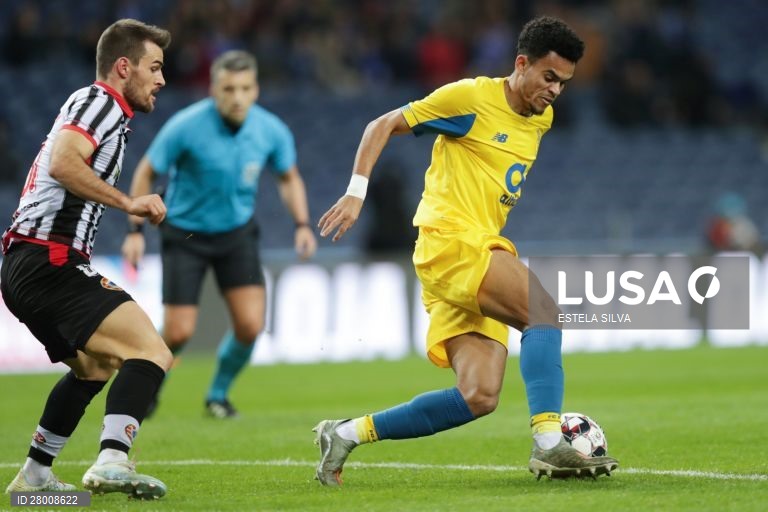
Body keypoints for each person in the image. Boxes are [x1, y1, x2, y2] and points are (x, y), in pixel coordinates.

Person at [314, 16, 619, 485]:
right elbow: (382, 124)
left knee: (478, 396)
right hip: (451, 241)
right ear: (522, 64)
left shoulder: (542, 118)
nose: (555, 90)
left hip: (466, 254)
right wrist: (356, 192)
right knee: (544, 314)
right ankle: (548, 442)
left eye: (563, 82)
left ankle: (346, 433)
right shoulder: (470, 99)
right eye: (549, 77)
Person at [2, 19, 172, 499]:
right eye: (154, 67)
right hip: (48, 260)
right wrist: (129, 203)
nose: (162, 79)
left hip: (28, 265)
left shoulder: (101, 110)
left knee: (93, 368)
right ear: (124, 67)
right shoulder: (101, 102)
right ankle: (112, 461)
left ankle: (34, 480)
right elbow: (63, 163)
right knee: (151, 352)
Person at [121, 50, 316, 419]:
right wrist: (135, 230)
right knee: (179, 332)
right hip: (185, 235)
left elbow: (289, 178)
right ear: (213, 90)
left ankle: (217, 396)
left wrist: (302, 224)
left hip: (236, 234)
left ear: (256, 90)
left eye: (245, 88)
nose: (237, 97)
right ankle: (149, 389)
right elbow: (146, 171)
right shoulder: (185, 126)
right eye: (229, 89)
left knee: (250, 325)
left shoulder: (271, 130)